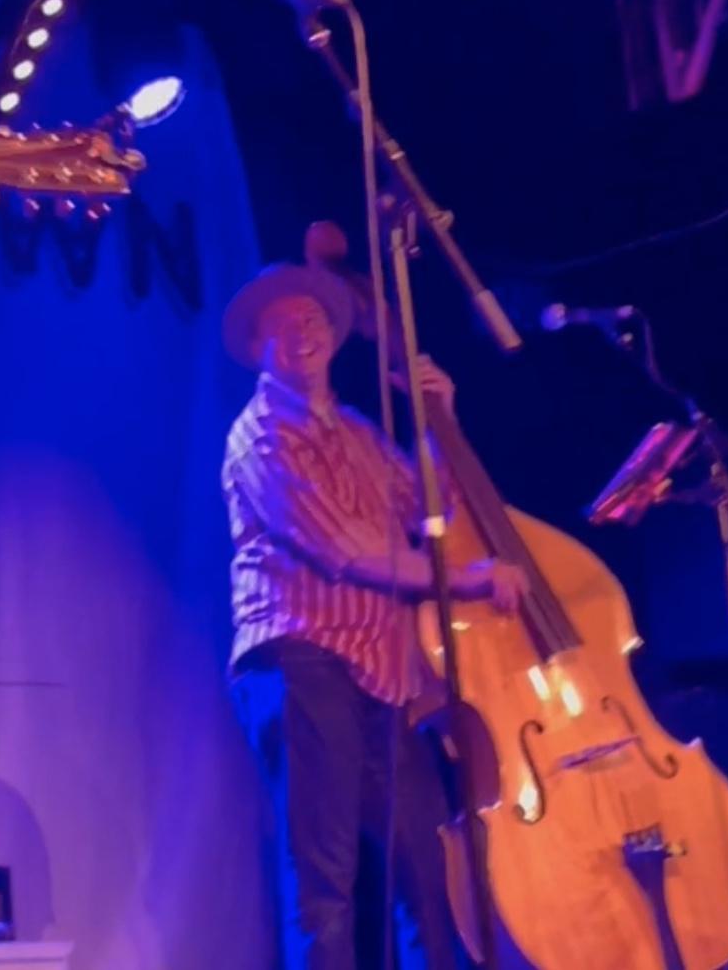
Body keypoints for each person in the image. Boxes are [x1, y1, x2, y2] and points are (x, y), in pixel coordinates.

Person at [220, 262, 527, 970]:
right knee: (326, 883)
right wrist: (472, 582)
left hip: (382, 674)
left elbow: (435, 519)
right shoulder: (261, 432)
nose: (303, 331)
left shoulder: (358, 430)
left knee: (427, 875)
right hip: (300, 656)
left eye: (315, 319)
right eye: (283, 323)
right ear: (258, 344)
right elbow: (346, 550)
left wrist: (435, 423)